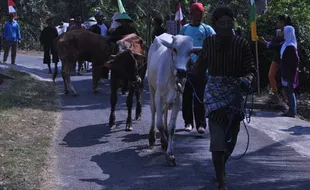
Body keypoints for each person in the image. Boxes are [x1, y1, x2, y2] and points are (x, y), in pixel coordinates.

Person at [195, 7, 256, 189]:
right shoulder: (208, 43)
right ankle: (221, 181)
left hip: (234, 94)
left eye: (229, 23)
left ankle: (221, 165)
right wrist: (188, 72)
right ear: (214, 25)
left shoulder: (242, 44)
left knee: (231, 137)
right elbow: (200, 65)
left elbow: (251, 68)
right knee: (218, 140)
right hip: (214, 94)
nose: (226, 27)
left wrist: (247, 79)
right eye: (222, 23)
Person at [180, 2, 216, 134]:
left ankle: (201, 124)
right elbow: (180, 47)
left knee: (200, 97)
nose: (198, 16)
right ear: (191, 14)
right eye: (196, 13)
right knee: (187, 96)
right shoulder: (184, 29)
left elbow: (213, 46)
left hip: (202, 69)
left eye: (200, 14)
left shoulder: (207, 29)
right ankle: (188, 122)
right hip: (187, 67)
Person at [260, 25, 299, 117]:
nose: (283, 33)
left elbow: (294, 62)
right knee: (287, 90)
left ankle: (292, 111)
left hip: (289, 72)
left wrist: (290, 72)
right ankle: (291, 110)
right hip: (286, 71)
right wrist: (264, 42)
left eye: (285, 32)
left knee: (290, 91)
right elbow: (274, 45)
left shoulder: (291, 47)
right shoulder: (286, 44)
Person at [265, 14, 291, 104]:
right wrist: (266, 43)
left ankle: (286, 99)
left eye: (279, 21)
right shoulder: (277, 32)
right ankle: (275, 93)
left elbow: (282, 45)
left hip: (285, 58)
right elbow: (273, 43)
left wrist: (270, 44)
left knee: (284, 79)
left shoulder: (288, 31)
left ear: (283, 22)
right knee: (271, 75)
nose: (277, 23)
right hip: (276, 57)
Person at [90, 12, 111, 82]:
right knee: (97, 62)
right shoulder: (93, 27)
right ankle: (96, 77)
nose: (99, 18)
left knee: (105, 61)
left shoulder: (107, 26)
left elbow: (110, 34)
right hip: (97, 46)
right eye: (97, 17)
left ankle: (104, 76)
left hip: (105, 45)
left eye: (100, 16)